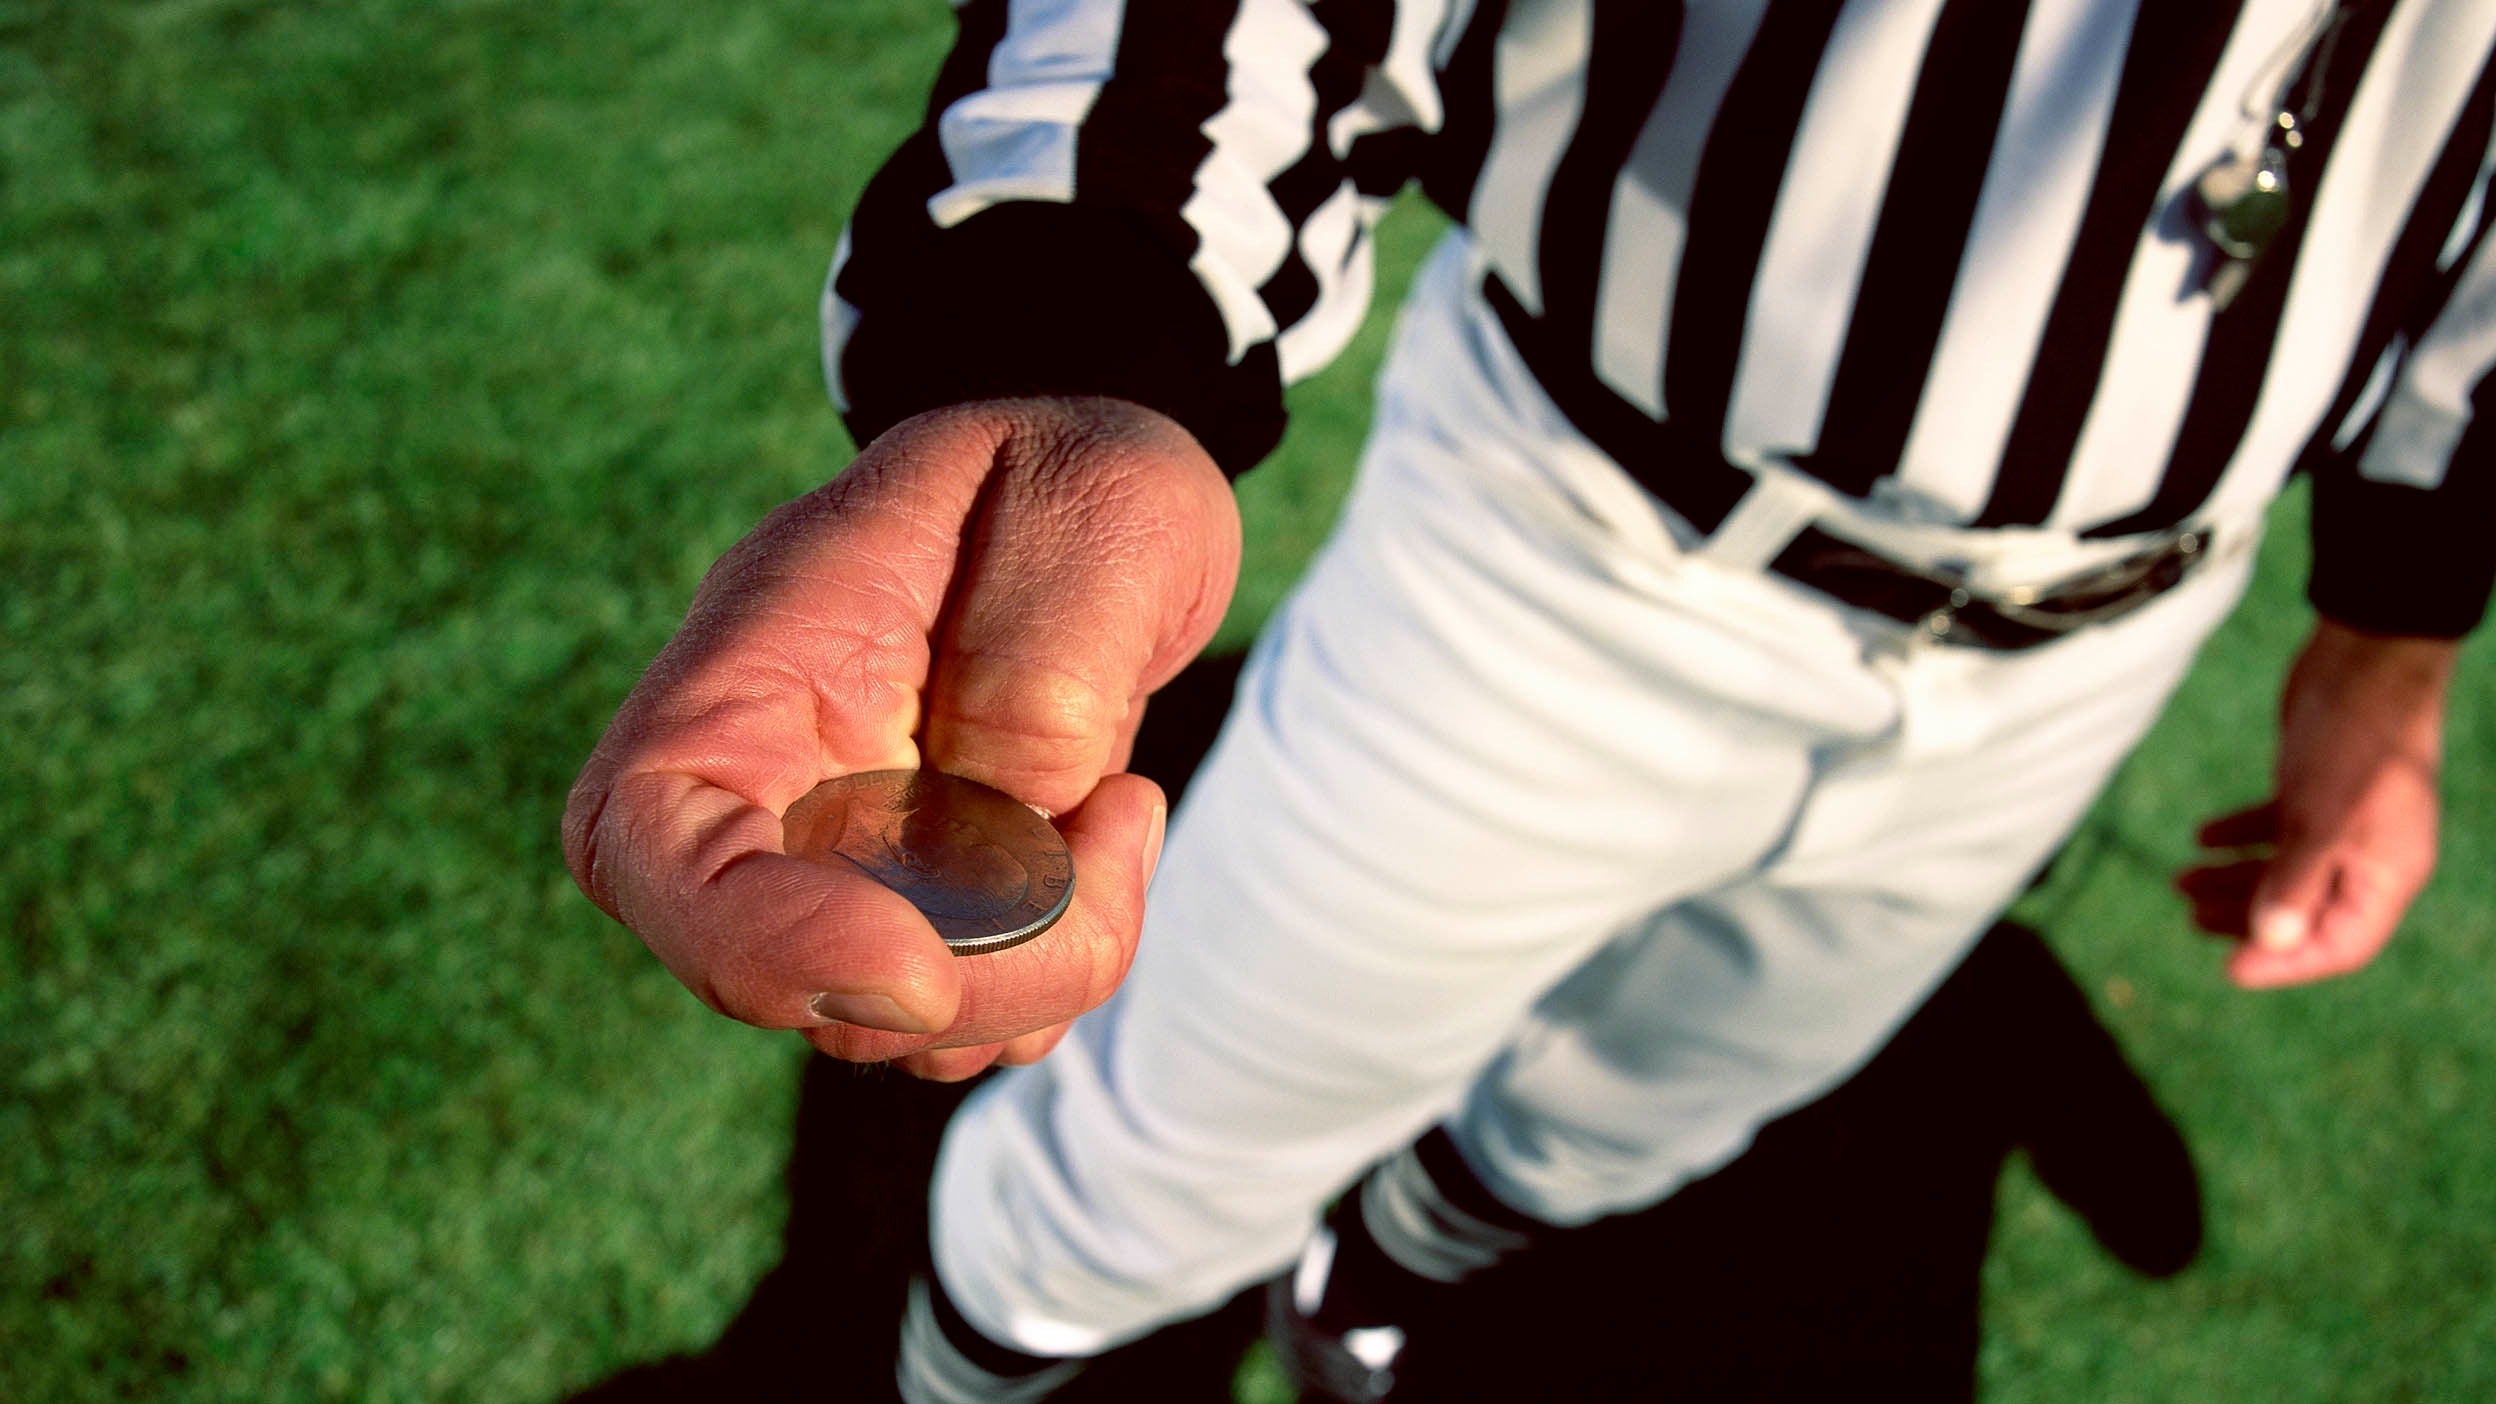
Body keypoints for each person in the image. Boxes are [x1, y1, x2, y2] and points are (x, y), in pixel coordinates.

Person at [563, 3, 2491, 1399]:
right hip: (1573, 549)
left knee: (1655, 1103)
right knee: (1174, 1136)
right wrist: (1068, 361)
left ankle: (1371, 1291)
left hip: (2107, 629)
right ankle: (977, 1379)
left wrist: (2393, 644)